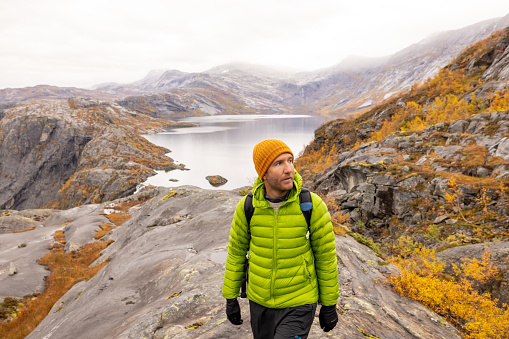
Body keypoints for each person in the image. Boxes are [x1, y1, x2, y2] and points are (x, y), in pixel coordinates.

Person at [222, 139, 339, 339]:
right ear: (263, 173)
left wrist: (329, 304)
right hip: (260, 302)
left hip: (299, 301)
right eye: (279, 163)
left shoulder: (311, 205)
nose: (289, 169)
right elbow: (236, 253)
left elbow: (326, 257)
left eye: (290, 161)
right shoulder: (248, 207)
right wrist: (230, 297)